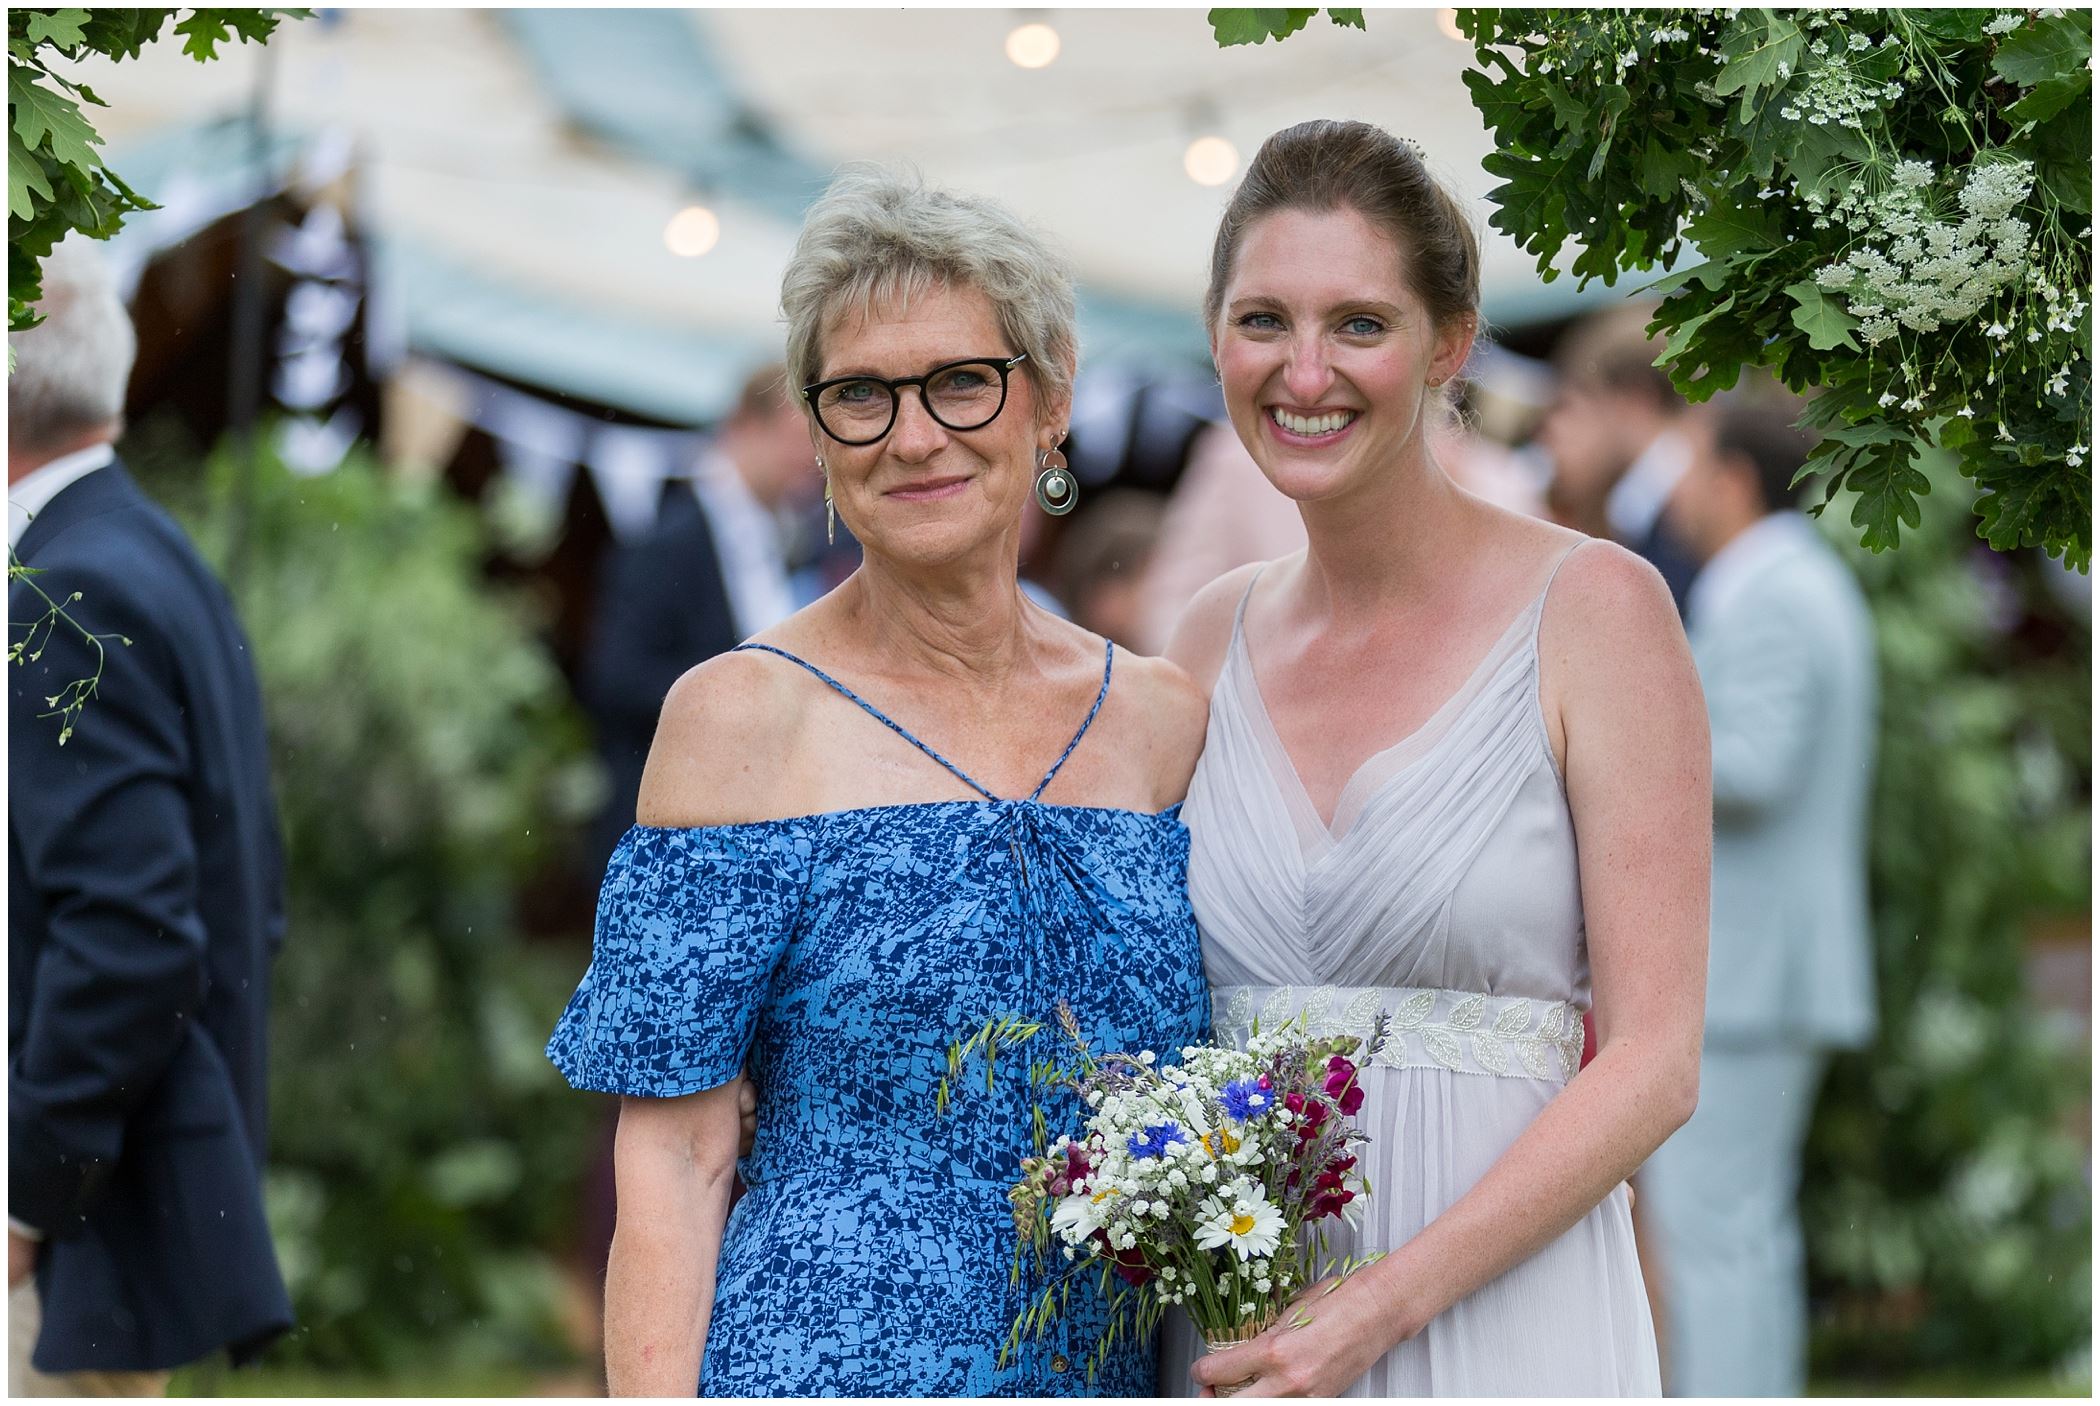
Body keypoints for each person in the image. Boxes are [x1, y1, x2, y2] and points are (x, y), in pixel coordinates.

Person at [545, 167, 1211, 1396]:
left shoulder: (1160, 720)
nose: (913, 436)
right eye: (860, 394)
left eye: (962, 380)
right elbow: (676, 1163)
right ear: (813, 430)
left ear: (1050, 396)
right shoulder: (735, 718)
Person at [1161, 120, 1710, 1396]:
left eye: (1359, 323)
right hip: (1243, 1325)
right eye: (1263, 321)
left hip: (1503, 1313)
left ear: (1450, 342)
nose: (1305, 372)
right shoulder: (1202, 638)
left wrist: (1382, 1303)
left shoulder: (1598, 612)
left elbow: (1653, 1060)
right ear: (1215, 337)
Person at [8, 238, 293, 1393]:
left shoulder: (66, 586)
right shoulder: (144, 550)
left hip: (69, 1229)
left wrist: (25, 1197)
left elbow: (132, 930)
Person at [1639, 391, 1877, 1397]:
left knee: (1712, 1235)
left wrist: (1630, 723)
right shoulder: (1785, 581)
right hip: (1760, 967)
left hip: (1750, 969)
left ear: (1734, 477)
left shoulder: (1776, 589)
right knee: (1741, 1233)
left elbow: (1754, 764)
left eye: (1688, 462)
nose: (1674, 487)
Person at [579, 362, 813, 870]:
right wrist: (743, 699)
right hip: (670, 839)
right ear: (747, 427)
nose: (811, 460)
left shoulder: (793, 535)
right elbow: (615, 679)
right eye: (798, 440)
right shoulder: (668, 537)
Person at [1535, 302, 1703, 610]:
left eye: (1581, 405)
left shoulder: (1678, 515)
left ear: (1635, 399)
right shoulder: (1644, 506)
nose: (1554, 434)